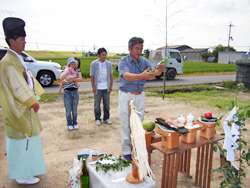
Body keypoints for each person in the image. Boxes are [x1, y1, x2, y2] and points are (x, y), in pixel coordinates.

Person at [0, 17, 46, 185]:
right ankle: (22, 174)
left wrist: (35, 96)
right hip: (18, 109)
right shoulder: (8, 62)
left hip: (23, 108)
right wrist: (32, 102)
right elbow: (18, 88)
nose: (24, 42)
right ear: (11, 41)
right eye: (21, 39)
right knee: (21, 142)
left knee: (27, 141)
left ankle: (28, 170)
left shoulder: (15, 58)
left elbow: (28, 80)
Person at [118, 37, 165, 160]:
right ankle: (127, 151)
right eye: (136, 48)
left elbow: (154, 73)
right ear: (130, 49)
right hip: (126, 95)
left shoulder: (144, 61)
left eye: (141, 49)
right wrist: (141, 76)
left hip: (139, 95)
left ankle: (137, 147)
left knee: (139, 124)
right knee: (126, 124)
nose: (139, 51)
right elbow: (127, 76)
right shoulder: (123, 61)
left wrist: (159, 71)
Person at [90, 48, 113, 126]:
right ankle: (97, 118)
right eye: (102, 55)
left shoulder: (108, 64)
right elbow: (92, 76)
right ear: (98, 55)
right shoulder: (94, 64)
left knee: (107, 104)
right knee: (97, 105)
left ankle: (106, 118)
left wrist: (111, 86)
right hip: (98, 87)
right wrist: (93, 87)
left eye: (105, 55)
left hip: (106, 87)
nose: (104, 56)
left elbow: (111, 75)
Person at [60, 57, 83, 130]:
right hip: (67, 92)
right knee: (68, 110)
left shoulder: (77, 71)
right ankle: (69, 123)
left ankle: (75, 122)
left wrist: (72, 79)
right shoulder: (65, 69)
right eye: (73, 63)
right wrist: (68, 72)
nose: (74, 65)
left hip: (75, 91)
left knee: (75, 110)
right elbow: (61, 78)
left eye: (76, 64)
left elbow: (80, 79)